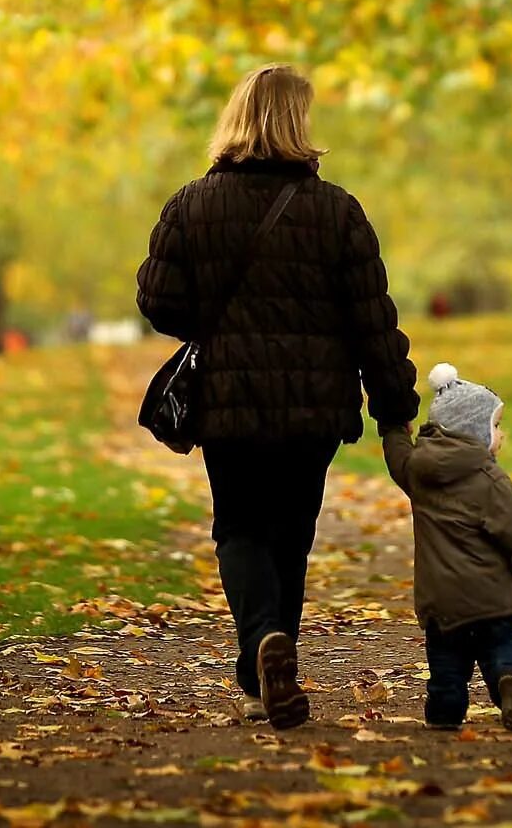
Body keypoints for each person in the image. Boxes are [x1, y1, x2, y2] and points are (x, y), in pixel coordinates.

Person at [135, 63, 418, 730]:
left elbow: (158, 301)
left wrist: (216, 320)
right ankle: (272, 647)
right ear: (299, 123)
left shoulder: (191, 205)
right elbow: (371, 320)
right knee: (291, 533)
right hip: (315, 406)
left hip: (229, 400)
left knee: (239, 526)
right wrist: (395, 412)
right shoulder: (336, 211)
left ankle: (261, 642)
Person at [382, 363, 512, 731]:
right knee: (502, 649)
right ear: (474, 432)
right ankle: (507, 680)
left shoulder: (419, 471)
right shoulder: (487, 478)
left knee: (447, 665)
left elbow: (397, 456)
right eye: (494, 426)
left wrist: (395, 429)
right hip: (491, 599)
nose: (501, 435)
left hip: (441, 604)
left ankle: (445, 712)